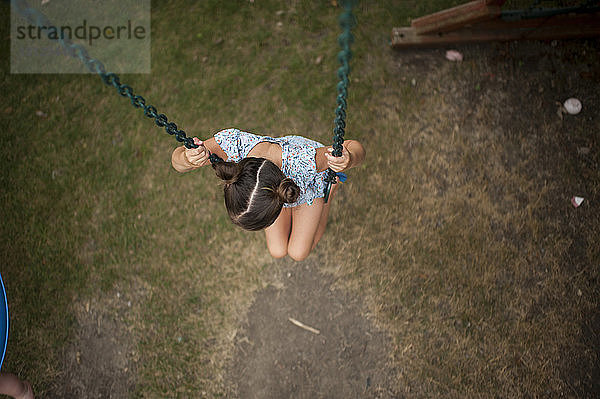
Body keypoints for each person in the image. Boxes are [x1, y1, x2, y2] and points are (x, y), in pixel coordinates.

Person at [171, 128, 365, 261]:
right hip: (273, 185)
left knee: (299, 252)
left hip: (310, 188)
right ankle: (291, 205)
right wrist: (187, 158)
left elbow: (354, 147)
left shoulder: (307, 161)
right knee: (278, 250)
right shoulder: (230, 146)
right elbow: (176, 163)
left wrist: (349, 159)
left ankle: (328, 194)